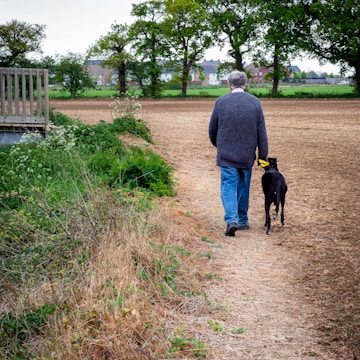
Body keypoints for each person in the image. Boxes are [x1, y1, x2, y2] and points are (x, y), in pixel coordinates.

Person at [208, 70, 268, 236]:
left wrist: (219, 145)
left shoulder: (221, 102)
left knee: (228, 185)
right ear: (245, 84)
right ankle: (242, 220)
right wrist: (263, 157)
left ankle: (231, 219)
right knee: (243, 185)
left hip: (226, 153)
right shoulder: (255, 102)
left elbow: (212, 129)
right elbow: (261, 133)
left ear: (229, 84)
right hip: (246, 154)